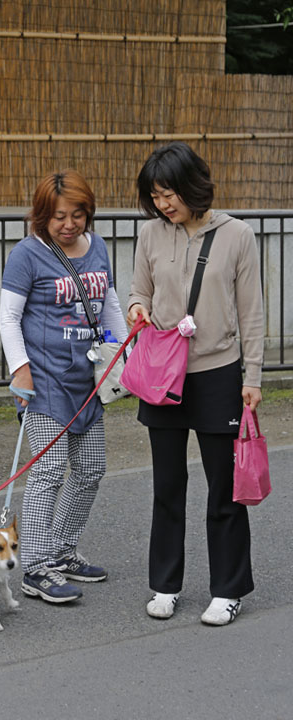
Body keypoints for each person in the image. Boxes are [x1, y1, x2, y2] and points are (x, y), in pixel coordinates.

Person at [127, 142, 264, 626]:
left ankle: (228, 589)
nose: (163, 204)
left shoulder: (237, 235)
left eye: (169, 194)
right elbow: (139, 290)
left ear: (192, 186)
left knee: (223, 488)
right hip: (162, 372)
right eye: (155, 196)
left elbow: (251, 312)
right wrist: (137, 308)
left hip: (217, 372)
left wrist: (252, 376)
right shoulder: (150, 233)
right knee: (167, 486)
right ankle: (165, 585)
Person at [0, 169, 129, 604]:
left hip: (87, 380)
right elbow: (8, 318)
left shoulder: (99, 248)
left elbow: (109, 304)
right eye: (58, 216)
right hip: (45, 382)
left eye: (77, 214)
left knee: (91, 469)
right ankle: (35, 567)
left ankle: (61, 549)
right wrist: (20, 370)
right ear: (42, 216)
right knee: (50, 470)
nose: (69, 224)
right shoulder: (26, 254)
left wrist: (124, 353)